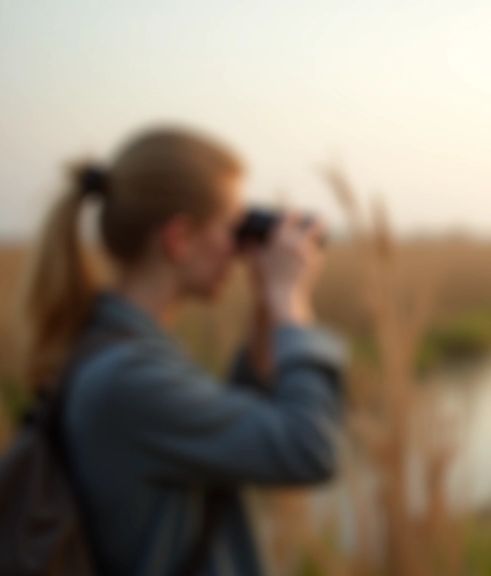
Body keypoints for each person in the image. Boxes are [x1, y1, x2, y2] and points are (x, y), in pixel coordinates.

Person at [21, 126, 344, 576]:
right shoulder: (126, 377)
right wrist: (291, 304)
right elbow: (309, 450)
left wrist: (267, 315)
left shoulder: (122, 350)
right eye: (234, 227)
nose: (239, 249)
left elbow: (236, 427)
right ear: (179, 238)